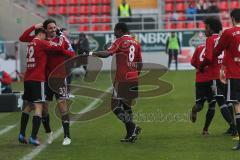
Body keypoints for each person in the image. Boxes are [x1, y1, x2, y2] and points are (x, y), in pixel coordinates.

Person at [86, 22, 142, 142]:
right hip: (133, 79)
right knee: (127, 107)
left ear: (120, 31)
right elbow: (139, 63)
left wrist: (90, 53)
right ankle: (130, 135)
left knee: (115, 107)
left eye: (115, 31)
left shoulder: (120, 41)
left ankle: (133, 127)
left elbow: (107, 53)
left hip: (122, 79)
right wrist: (136, 76)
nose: (114, 33)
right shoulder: (136, 43)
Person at [18, 24, 68, 146]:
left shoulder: (31, 42)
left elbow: (22, 37)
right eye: (46, 33)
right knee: (39, 107)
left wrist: (33, 26)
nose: (47, 36)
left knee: (28, 106)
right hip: (38, 79)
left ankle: (22, 134)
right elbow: (60, 47)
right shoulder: (42, 42)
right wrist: (61, 36)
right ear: (42, 33)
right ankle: (33, 137)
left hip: (27, 78)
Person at [193, 17, 237, 136]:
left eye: (205, 27)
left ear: (210, 29)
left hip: (215, 75)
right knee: (229, 101)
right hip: (226, 73)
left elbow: (208, 58)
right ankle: (232, 127)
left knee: (220, 101)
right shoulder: (224, 37)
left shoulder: (210, 40)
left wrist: (201, 66)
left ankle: (233, 127)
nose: (205, 30)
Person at [43, 19, 75, 146]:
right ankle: (49, 134)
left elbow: (72, 54)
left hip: (60, 78)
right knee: (44, 108)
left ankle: (67, 136)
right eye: (50, 28)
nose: (53, 30)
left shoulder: (62, 39)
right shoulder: (42, 40)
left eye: (54, 27)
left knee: (62, 107)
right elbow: (24, 38)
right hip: (45, 78)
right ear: (46, 29)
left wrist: (62, 50)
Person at [214, 9, 240, 150]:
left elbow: (217, 50)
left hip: (236, 75)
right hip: (233, 72)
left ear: (232, 18)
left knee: (237, 107)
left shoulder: (229, 33)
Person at [190, 44, 216, 135]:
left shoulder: (199, 47)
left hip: (200, 80)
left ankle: (194, 110)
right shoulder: (214, 47)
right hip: (211, 80)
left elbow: (192, 62)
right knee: (212, 105)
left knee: (199, 105)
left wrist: (199, 68)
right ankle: (205, 130)